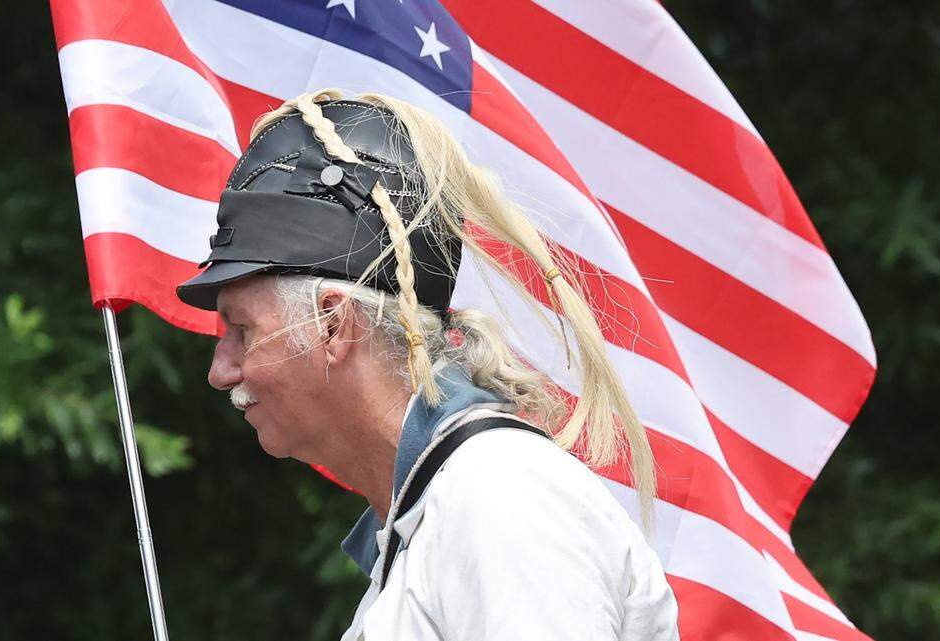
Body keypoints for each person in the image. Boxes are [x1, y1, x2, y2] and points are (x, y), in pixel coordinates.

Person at [176, 88, 679, 640]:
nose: (220, 371)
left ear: (332, 324)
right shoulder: (444, 513)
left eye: (242, 330)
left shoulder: (500, 495)